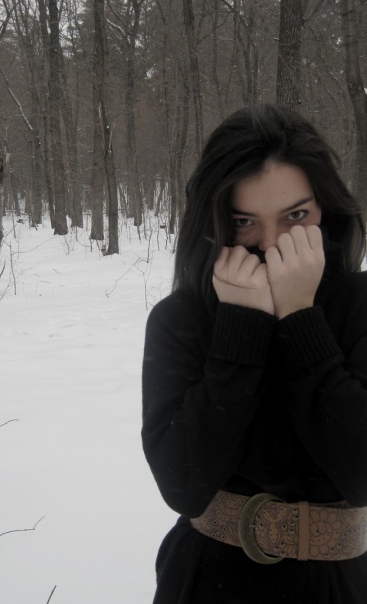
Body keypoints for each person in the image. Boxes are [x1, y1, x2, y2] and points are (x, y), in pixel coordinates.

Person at [141, 103, 367, 603]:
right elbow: (182, 485)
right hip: (207, 580)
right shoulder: (181, 320)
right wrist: (240, 330)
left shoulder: (359, 307)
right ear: (216, 221)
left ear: (326, 211)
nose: (271, 244)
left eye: (296, 216)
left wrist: (300, 318)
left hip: (339, 585)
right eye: (244, 221)